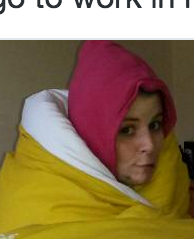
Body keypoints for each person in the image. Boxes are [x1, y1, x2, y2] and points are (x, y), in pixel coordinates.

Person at [66, 41, 178, 188]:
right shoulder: (55, 199)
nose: (149, 145)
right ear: (91, 134)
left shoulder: (172, 185)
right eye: (127, 130)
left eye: (155, 125)